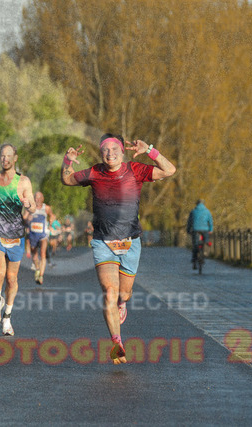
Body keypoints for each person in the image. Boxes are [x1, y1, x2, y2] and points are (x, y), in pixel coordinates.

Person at [61, 133, 176, 364]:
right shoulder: (95, 172)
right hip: (103, 242)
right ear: (101, 152)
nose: (110, 153)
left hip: (131, 242)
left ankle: (122, 304)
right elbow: (67, 180)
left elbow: (169, 170)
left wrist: (150, 150)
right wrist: (67, 161)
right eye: (105, 149)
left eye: (115, 149)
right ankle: (117, 342)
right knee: (109, 292)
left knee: (123, 294)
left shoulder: (135, 170)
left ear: (122, 152)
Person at [0, 143, 36, 336]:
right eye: (2, 156)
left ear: (15, 158)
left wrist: (28, 204)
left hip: (15, 235)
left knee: (12, 279)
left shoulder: (24, 182)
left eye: (8, 156)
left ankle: (7, 318)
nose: (5, 159)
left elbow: (32, 206)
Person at [25, 191, 52, 285]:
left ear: (42, 199)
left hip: (43, 235)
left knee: (43, 253)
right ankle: (37, 268)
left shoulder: (46, 208)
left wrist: (51, 223)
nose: (37, 199)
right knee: (35, 255)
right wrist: (28, 219)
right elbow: (24, 218)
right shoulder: (30, 208)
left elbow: (52, 216)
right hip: (33, 235)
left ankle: (41, 275)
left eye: (39, 197)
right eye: (36, 197)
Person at [187, 199, 213, 269]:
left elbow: (189, 222)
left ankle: (194, 258)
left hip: (195, 229)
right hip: (205, 229)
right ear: (204, 204)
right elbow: (210, 221)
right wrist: (211, 230)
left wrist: (188, 230)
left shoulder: (193, 211)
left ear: (196, 204)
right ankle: (205, 252)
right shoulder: (207, 211)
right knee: (206, 241)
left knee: (195, 244)